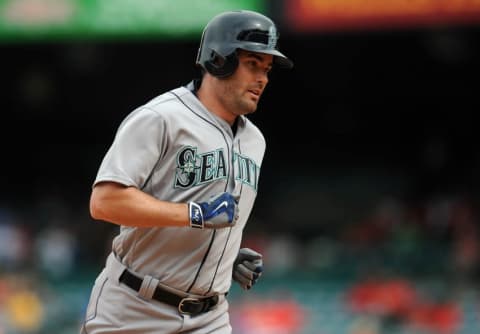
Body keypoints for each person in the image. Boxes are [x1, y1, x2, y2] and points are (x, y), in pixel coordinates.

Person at [80, 9, 293, 334]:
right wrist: (194, 214)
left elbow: (215, 217)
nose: (262, 78)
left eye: (266, 69)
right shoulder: (160, 118)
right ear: (218, 60)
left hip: (210, 317)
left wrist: (222, 255)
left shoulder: (255, 141)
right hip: (135, 309)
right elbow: (105, 202)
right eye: (252, 64)